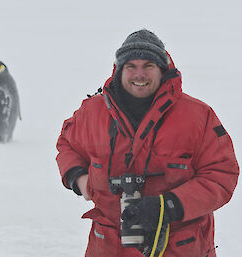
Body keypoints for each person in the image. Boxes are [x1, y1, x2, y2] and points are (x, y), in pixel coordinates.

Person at [56, 29, 239, 257]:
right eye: (131, 66)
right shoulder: (92, 112)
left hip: (179, 247)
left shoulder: (198, 117)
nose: (139, 74)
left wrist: (168, 206)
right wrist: (78, 178)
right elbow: (67, 143)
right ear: (119, 69)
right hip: (108, 246)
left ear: (162, 70)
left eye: (149, 66)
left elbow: (221, 174)